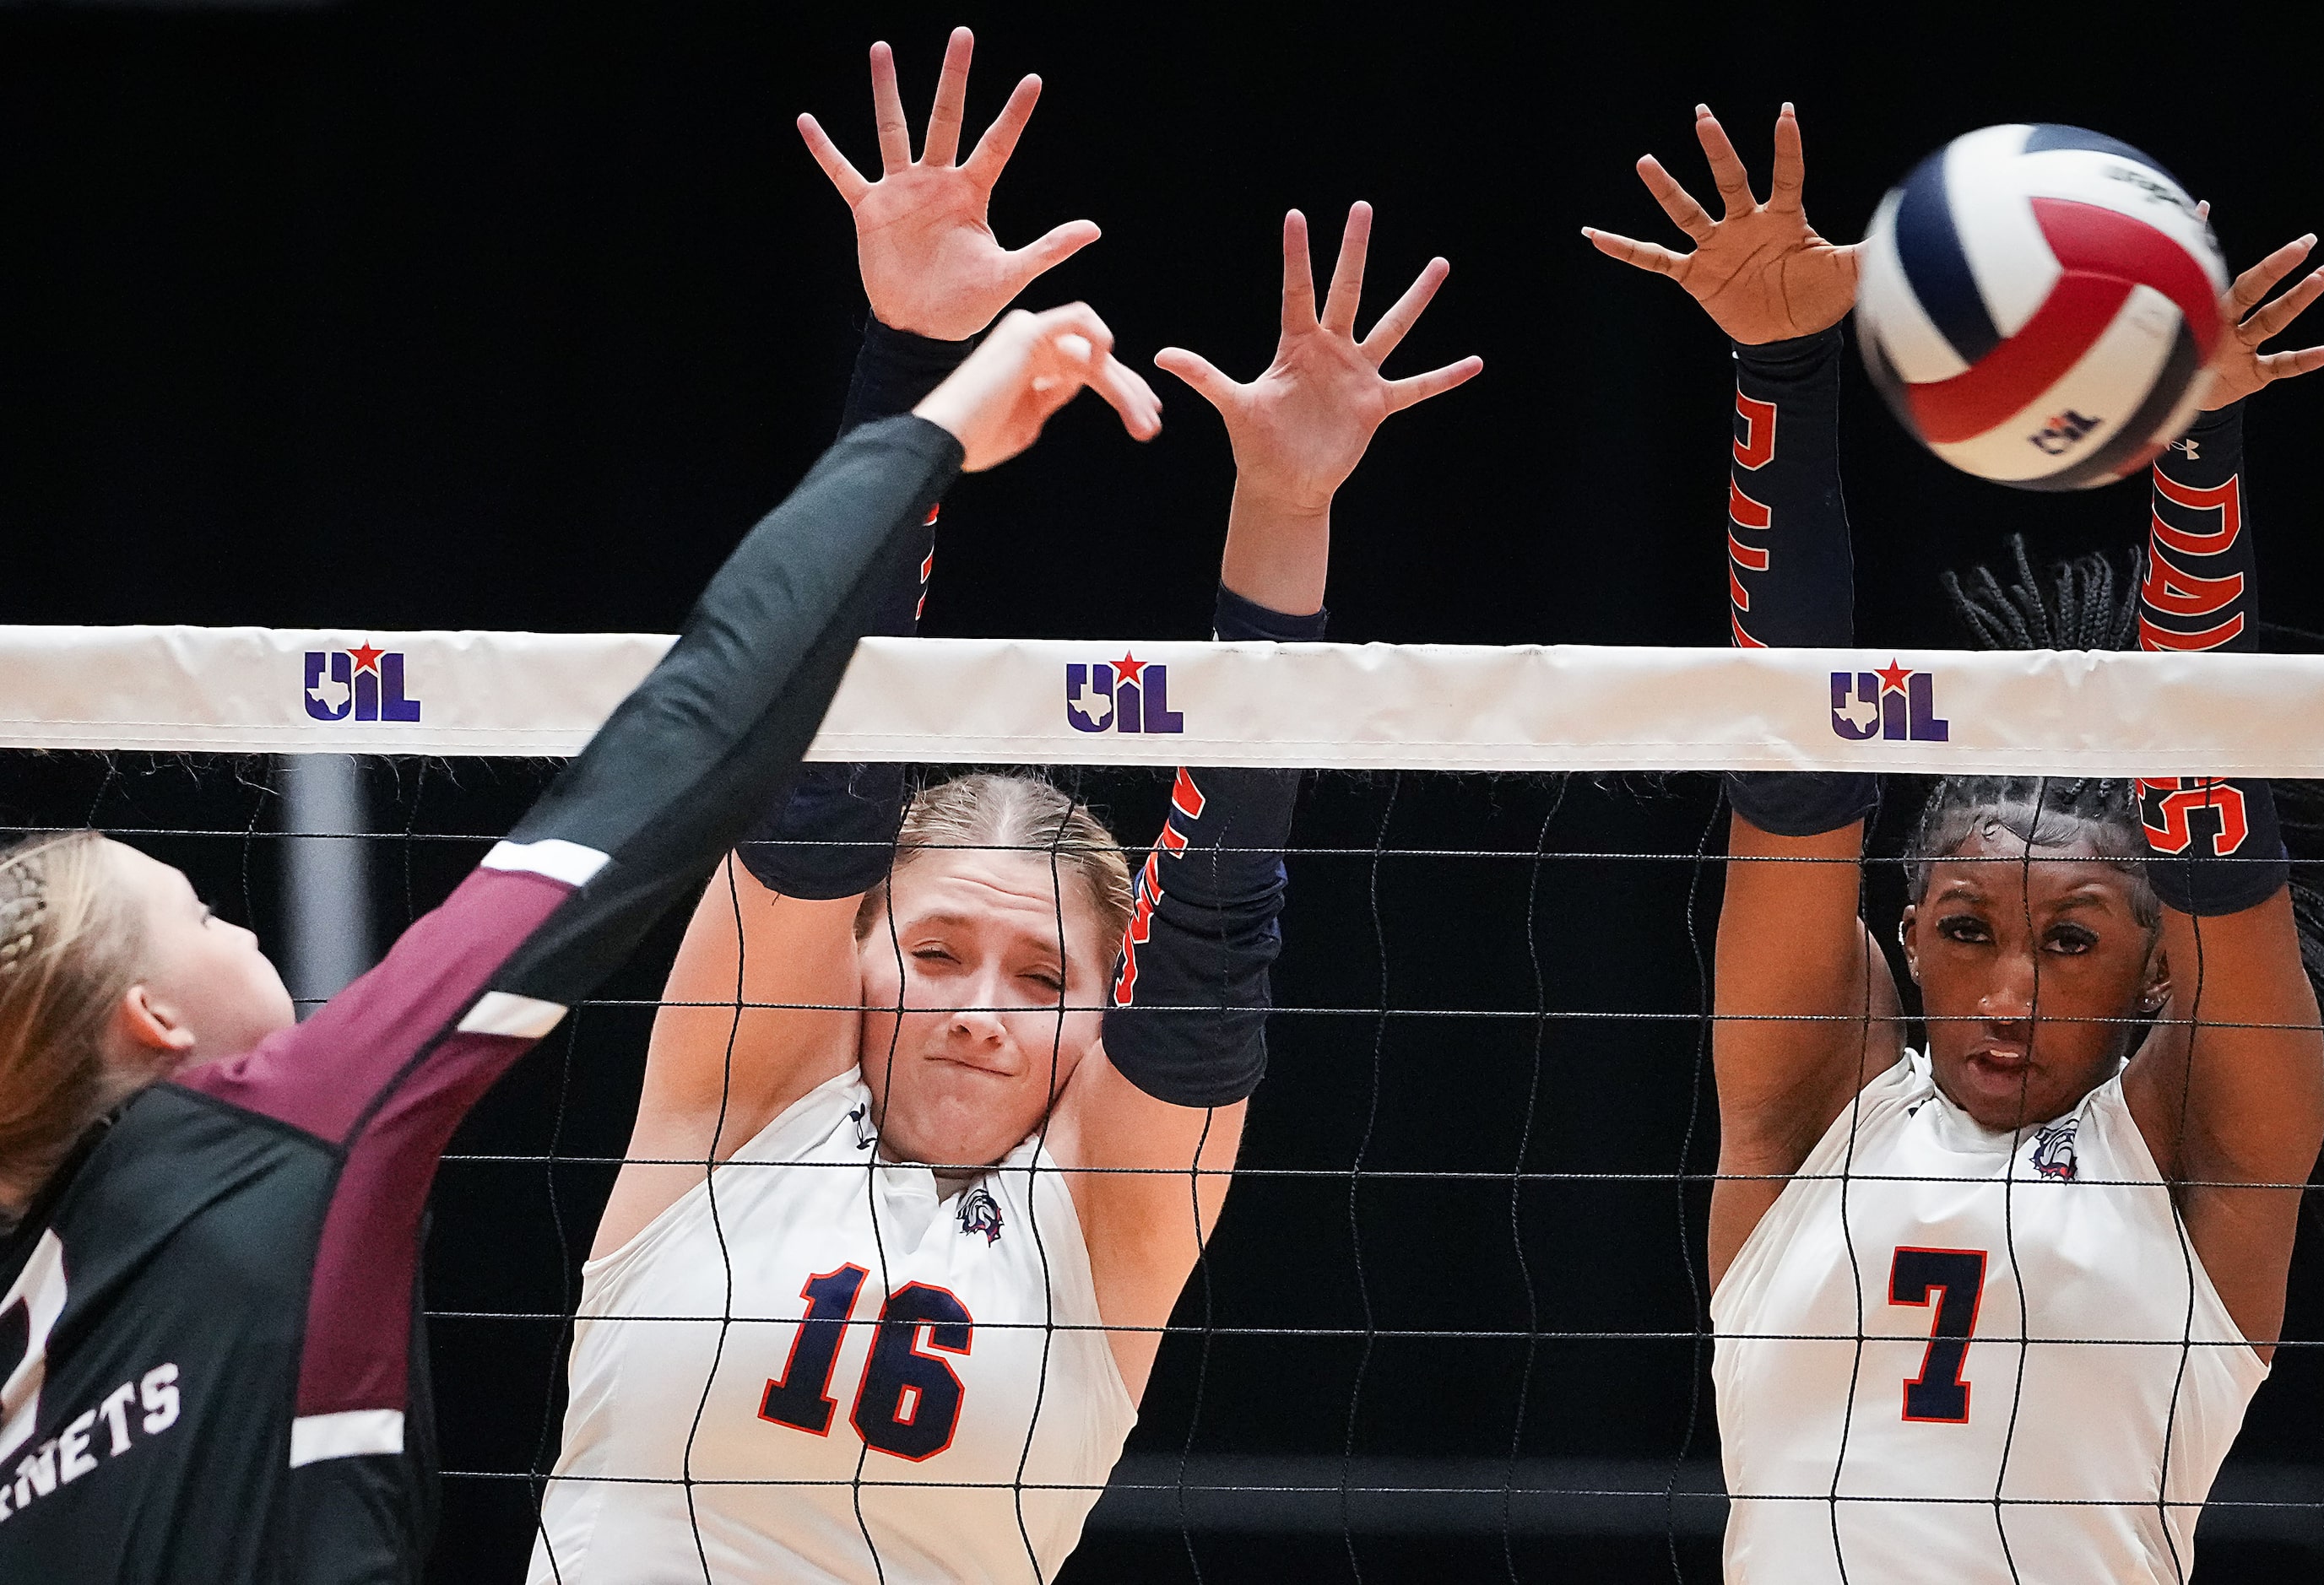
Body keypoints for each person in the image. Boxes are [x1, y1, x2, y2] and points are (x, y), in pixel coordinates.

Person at [0, 269, 1161, 1574]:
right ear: (150, 1017)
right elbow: (689, 736)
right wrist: (927, 415)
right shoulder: (284, 1115)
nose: (239, 928)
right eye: (200, 909)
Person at [526, 29, 1481, 1585]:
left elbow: (1215, 920)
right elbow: (823, 759)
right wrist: (915, 358)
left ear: (1101, 1025)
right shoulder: (744, 1106)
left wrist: (1284, 508)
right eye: (941, 949)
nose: (981, 1006)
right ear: (853, 956)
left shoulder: (1103, 1234)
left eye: (1045, 979)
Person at [1590, 105, 2324, 1581]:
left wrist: (2195, 443)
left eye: (2067, 940)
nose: (2006, 990)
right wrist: (1781, 367)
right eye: (1965, 931)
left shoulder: (2200, 1151)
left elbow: (2209, 813)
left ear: (2148, 977)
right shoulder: (1816, 1105)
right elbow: (1801, 761)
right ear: (1907, 938)